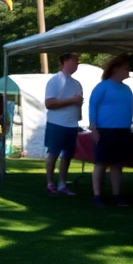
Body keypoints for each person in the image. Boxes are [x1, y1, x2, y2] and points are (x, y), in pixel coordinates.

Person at [89, 57, 133, 207]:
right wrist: (94, 128)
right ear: (116, 69)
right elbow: (92, 106)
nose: (128, 70)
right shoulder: (102, 87)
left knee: (117, 164)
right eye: (126, 67)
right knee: (101, 163)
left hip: (122, 131)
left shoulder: (127, 89)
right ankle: (97, 196)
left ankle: (116, 195)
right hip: (105, 130)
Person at [44, 53, 84, 195]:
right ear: (65, 62)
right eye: (74, 61)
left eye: (77, 62)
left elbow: (78, 103)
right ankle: (50, 183)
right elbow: (49, 103)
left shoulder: (77, 83)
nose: (76, 64)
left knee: (67, 155)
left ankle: (62, 184)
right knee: (53, 153)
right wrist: (72, 100)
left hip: (72, 124)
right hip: (56, 123)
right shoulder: (55, 80)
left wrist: (78, 117)